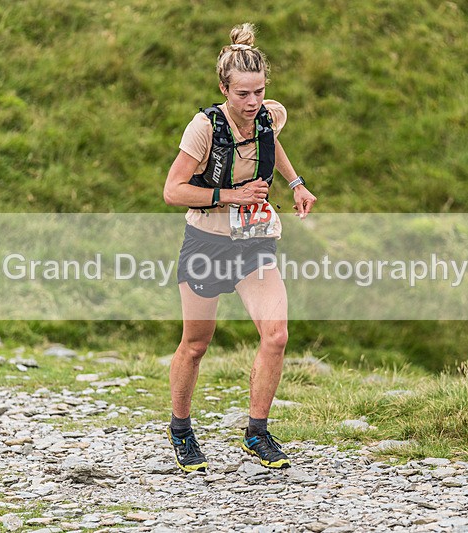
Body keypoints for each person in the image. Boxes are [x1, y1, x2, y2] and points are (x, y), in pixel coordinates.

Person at [163, 23, 316, 473]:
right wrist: (232, 196)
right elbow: (173, 191)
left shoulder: (268, 114)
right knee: (196, 343)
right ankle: (181, 430)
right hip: (206, 241)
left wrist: (297, 183)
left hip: (255, 241)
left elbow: (274, 144)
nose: (252, 103)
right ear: (223, 89)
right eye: (243, 94)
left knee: (277, 334)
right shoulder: (203, 128)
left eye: (259, 92)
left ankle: (257, 432)